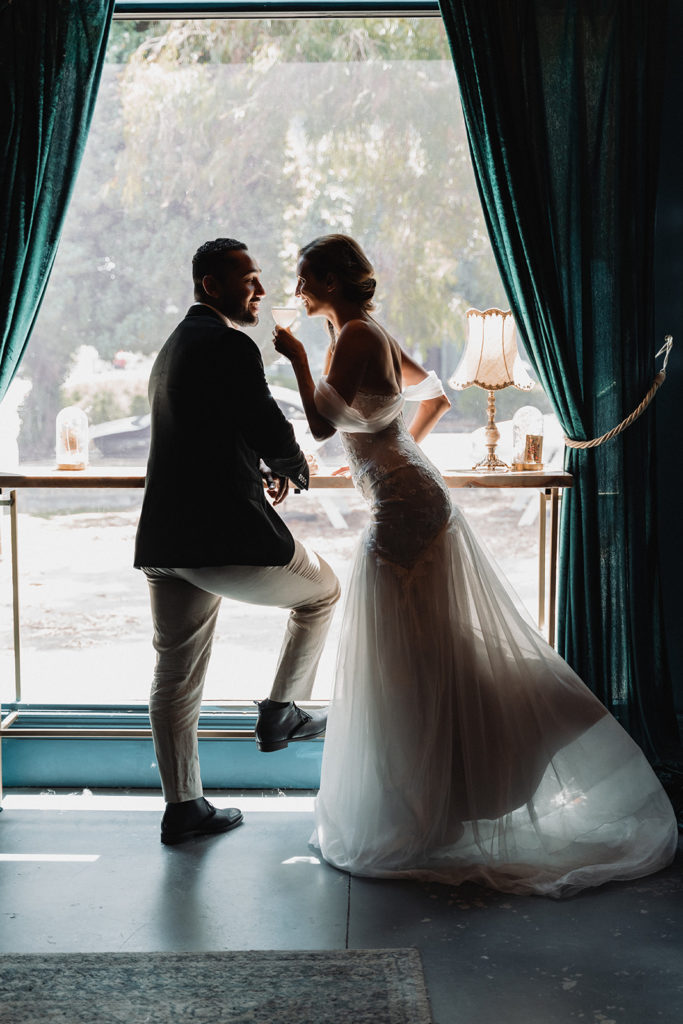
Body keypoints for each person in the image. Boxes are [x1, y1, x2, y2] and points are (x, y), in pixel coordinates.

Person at [272, 233, 677, 897]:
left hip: (401, 511)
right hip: (408, 493)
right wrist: (378, 452)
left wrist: (295, 360)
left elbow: (321, 425)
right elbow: (431, 394)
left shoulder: (350, 337)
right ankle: (440, 801)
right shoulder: (368, 331)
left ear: (330, 282)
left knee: (410, 656)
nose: (296, 290)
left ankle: (443, 796)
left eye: (304, 277)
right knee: (425, 653)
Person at [134, 238, 341, 846]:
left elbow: (209, 430)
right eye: (249, 279)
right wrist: (291, 463)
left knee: (174, 677)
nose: (262, 289)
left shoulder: (172, 348)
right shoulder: (228, 343)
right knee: (323, 594)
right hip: (220, 537)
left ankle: (184, 807)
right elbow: (263, 419)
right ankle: (283, 710)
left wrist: (257, 462)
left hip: (165, 543)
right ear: (210, 286)